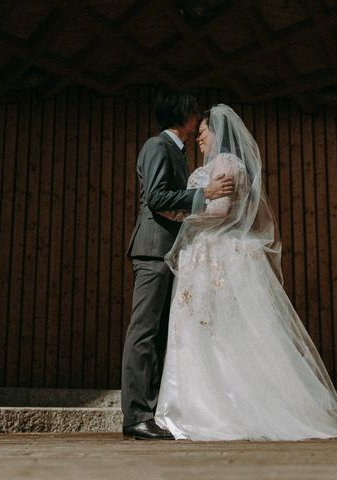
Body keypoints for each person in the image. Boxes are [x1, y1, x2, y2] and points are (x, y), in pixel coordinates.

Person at [154, 104, 337, 440]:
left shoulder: (226, 163)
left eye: (202, 135)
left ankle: (217, 409)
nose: (198, 142)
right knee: (211, 330)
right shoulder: (224, 164)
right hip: (213, 254)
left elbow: (221, 210)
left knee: (219, 330)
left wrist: (180, 215)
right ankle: (205, 403)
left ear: (218, 133)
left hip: (217, 254)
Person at [122, 91, 235, 440]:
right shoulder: (158, 146)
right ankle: (136, 416)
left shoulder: (179, 153)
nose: (198, 118)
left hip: (174, 254)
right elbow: (156, 198)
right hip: (155, 250)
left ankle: (151, 414)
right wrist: (206, 195)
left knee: (159, 337)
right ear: (183, 114)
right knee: (144, 331)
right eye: (195, 112)